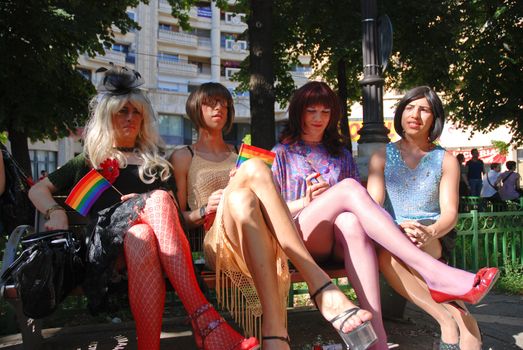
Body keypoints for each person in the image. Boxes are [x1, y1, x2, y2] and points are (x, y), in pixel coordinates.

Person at [28, 67, 259, 350]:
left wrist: (141, 207)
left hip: (149, 253)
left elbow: (174, 220)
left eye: (136, 112)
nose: (130, 118)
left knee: (143, 236)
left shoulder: (157, 164)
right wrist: (56, 211)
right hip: (106, 254)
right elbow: (37, 189)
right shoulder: (89, 161)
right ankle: (206, 320)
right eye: (122, 112)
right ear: (107, 117)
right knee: (158, 200)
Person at [271, 81, 499, 350]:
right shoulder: (280, 154)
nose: (319, 118)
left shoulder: (341, 155)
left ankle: (376, 340)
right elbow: (270, 209)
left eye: (326, 112)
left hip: (339, 240)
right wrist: (305, 201)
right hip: (299, 238)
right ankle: (436, 273)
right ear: (299, 113)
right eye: (311, 111)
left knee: (350, 220)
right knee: (349, 189)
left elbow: (361, 206)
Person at [170, 82, 372, 350]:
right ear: (196, 109)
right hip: (217, 239)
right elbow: (178, 217)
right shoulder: (184, 155)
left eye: (224, 103)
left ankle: (275, 334)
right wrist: (202, 210)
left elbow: (268, 205)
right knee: (253, 170)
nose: (219, 108)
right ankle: (319, 286)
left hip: (255, 234)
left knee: (243, 197)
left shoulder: (240, 153)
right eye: (210, 103)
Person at [367, 86, 482, 349]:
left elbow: (450, 213)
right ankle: (450, 318)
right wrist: (394, 228)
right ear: (400, 113)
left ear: (434, 118)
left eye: (424, 109)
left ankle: (456, 322)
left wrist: (430, 231)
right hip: (391, 231)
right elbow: (372, 206)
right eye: (409, 107)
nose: (415, 114)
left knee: (403, 249)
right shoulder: (382, 155)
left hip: (432, 232)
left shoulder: (445, 160)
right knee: (388, 254)